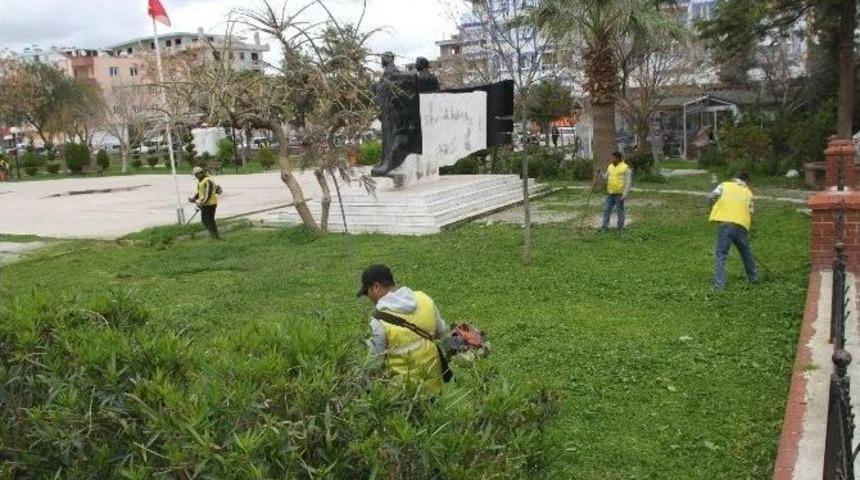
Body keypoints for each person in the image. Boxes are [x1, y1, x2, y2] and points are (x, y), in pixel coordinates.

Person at [357, 264, 448, 393]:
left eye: (367, 292)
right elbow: (441, 331)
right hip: (434, 388)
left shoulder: (379, 322)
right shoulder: (424, 298)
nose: (368, 297)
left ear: (376, 287)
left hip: (403, 397)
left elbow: (373, 367)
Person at [709, 172, 758, 289]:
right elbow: (751, 212)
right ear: (746, 181)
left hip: (725, 225)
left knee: (721, 254)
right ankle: (753, 278)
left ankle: (719, 285)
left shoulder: (724, 185)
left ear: (735, 179)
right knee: (746, 252)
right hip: (741, 226)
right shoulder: (748, 193)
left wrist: (712, 206)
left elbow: (711, 196)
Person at [600, 151, 632, 230]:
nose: (611, 159)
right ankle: (605, 226)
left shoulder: (625, 168)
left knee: (619, 211)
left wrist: (625, 194)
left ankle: (621, 227)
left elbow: (628, 182)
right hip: (610, 193)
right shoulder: (610, 166)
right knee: (606, 209)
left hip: (619, 194)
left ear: (618, 158)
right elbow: (605, 177)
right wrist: (600, 172)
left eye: (613, 158)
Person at [188, 166, 220, 239]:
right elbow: (200, 193)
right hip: (205, 204)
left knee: (209, 221)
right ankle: (214, 236)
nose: (196, 176)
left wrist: (202, 203)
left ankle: (215, 236)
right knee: (205, 221)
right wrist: (194, 198)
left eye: (196, 174)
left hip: (210, 204)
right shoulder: (200, 181)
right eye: (195, 175)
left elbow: (209, 194)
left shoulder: (208, 180)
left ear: (200, 173)